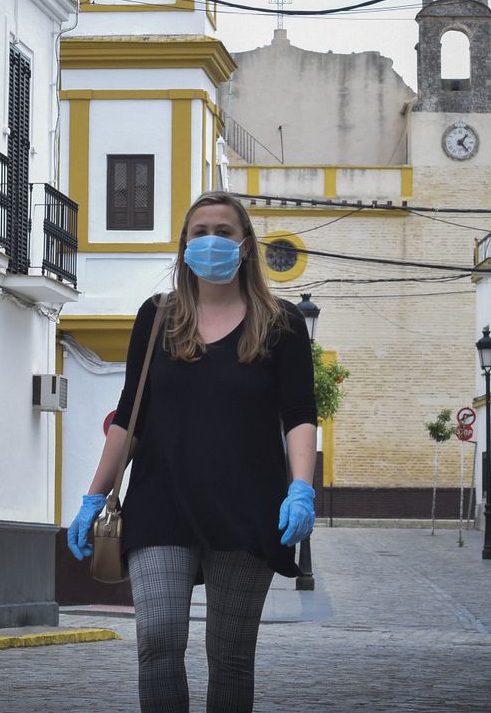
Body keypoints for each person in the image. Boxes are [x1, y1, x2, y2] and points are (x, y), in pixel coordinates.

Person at [66, 190, 319, 713]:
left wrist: (301, 488)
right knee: (157, 640)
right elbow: (130, 416)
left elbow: (299, 414)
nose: (210, 241)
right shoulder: (158, 317)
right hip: (161, 504)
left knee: (230, 656)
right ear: (184, 245)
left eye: (223, 232)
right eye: (199, 232)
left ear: (245, 245)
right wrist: (93, 496)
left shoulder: (281, 323)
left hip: (248, 509)